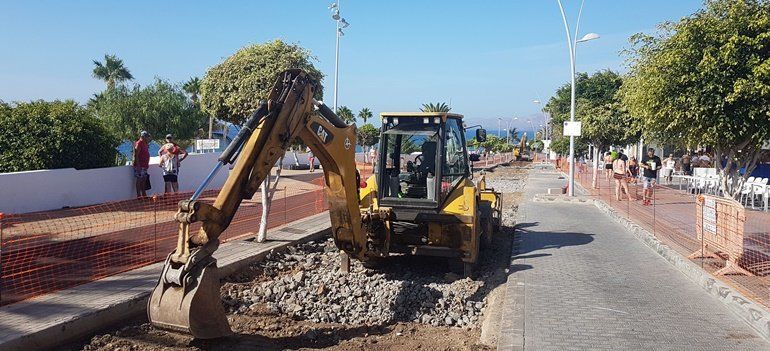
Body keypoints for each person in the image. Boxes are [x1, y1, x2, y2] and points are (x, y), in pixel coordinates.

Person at [132, 131, 151, 198]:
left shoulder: (145, 143)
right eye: (147, 136)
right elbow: (136, 155)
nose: (148, 138)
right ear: (143, 136)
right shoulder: (139, 143)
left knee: (144, 180)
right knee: (139, 179)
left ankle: (144, 194)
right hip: (140, 165)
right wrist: (138, 166)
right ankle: (139, 195)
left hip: (144, 165)